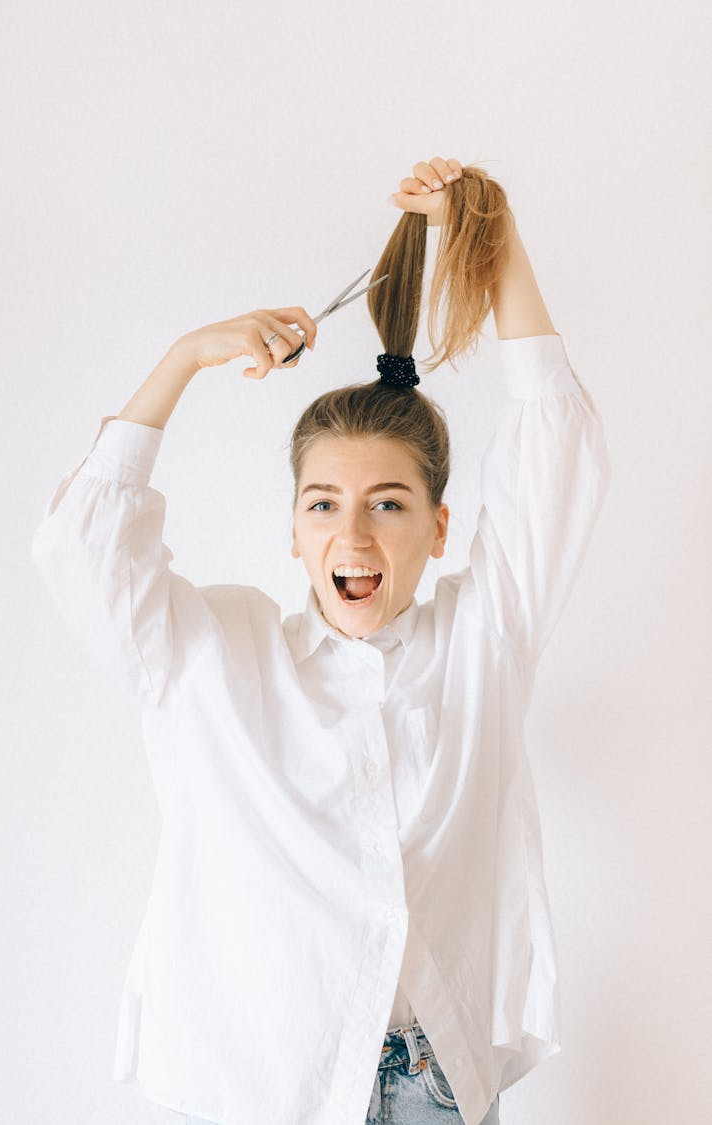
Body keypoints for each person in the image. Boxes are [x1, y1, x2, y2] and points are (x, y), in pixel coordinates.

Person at [30, 155, 611, 1125]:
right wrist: (184, 357)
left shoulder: (484, 640)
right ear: (292, 532)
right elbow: (83, 546)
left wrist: (489, 234)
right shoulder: (211, 655)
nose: (354, 536)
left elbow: (556, 446)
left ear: (438, 528)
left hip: (441, 1083)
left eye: (389, 504)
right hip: (271, 1084)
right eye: (324, 505)